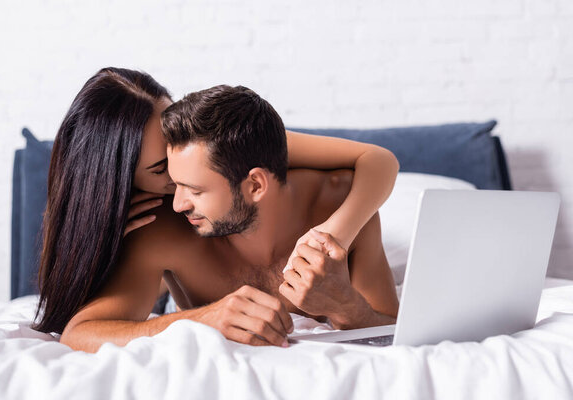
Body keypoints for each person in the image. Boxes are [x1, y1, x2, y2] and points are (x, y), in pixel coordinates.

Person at [34, 67, 399, 352]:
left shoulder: (226, 144)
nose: (178, 196)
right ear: (119, 186)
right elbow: (81, 333)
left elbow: (376, 159)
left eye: (190, 181)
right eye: (165, 170)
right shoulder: (155, 226)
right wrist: (200, 320)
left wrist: (334, 243)